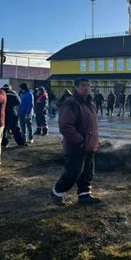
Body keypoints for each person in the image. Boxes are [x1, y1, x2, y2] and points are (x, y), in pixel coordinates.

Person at [50, 78, 100, 206]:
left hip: (89, 146)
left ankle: (84, 195)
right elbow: (66, 126)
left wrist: (94, 142)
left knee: (87, 172)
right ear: (76, 87)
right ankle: (57, 192)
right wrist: (80, 141)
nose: (86, 88)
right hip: (76, 146)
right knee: (73, 173)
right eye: (83, 85)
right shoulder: (71, 103)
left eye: (88, 85)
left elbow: (92, 126)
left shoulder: (90, 103)